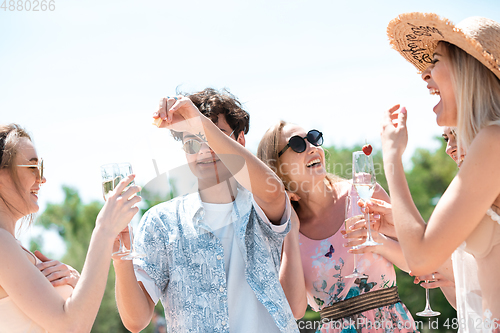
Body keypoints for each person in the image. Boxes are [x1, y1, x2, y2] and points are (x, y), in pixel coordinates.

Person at [114, 88, 298, 333]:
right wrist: (120, 257)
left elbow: (273, 190)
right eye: (192, 142)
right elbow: (135, 321)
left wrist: (197, 121)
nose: (203, 150)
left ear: (240, 140)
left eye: (211, 137)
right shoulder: (161, 222)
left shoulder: (260, 204)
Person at [383, 12, 500, 330]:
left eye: (435, 61)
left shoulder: (495, 140)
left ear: (467, 71)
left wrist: (392, 158)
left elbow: (422, 258)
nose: (424, 74)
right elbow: (473, 291)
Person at [257, 121, 417, 332]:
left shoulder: (364, 191)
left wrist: (380, 242)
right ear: (276, 167)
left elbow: (415, 262)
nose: (312, 147)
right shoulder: (283, 231)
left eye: (313, 138)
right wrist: (290, 229)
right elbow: (295, 310)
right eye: (297, 144)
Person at [0, 123, 141, 332]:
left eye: (41, 168)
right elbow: (72, 327)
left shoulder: (13, 246)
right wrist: (103, 232)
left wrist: (75, 282)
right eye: (32, 167)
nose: (42, 178)